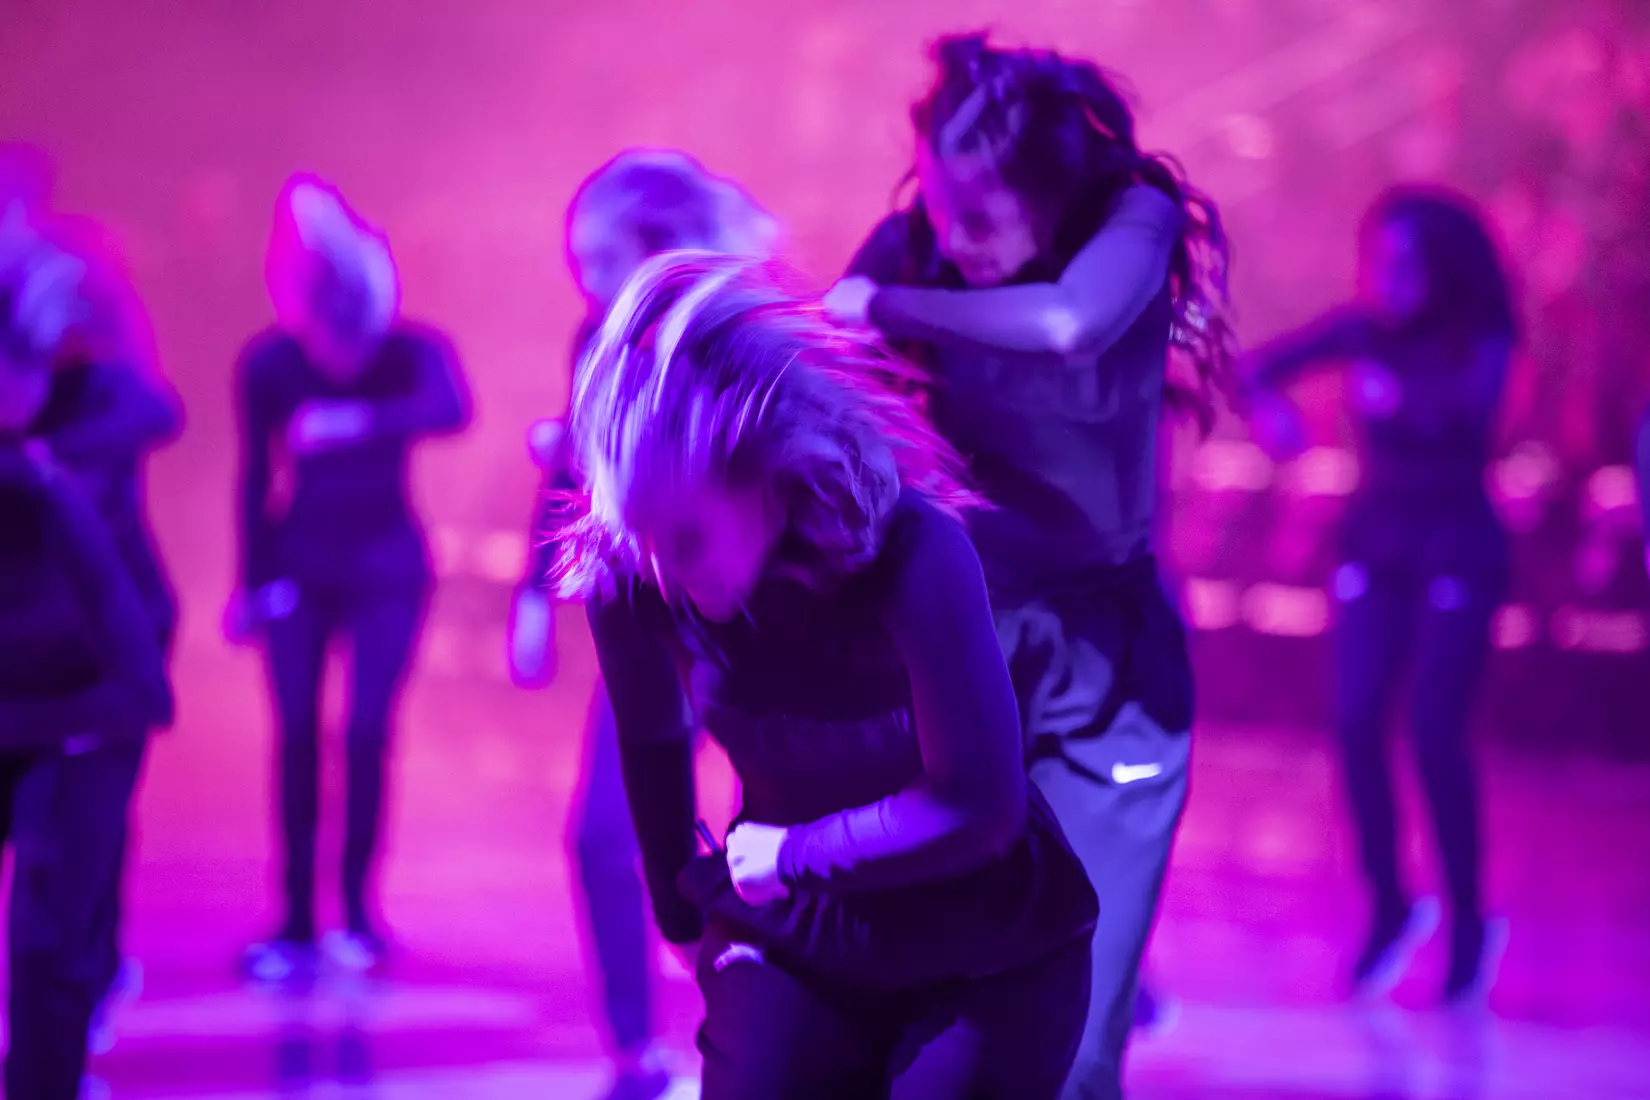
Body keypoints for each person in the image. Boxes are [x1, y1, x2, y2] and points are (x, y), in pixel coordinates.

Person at [555, 253, 1098, 1099]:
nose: (662, 570)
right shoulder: (635, 574)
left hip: (989, 941)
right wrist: (681, 911)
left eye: (687, 537)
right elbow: (655, 742)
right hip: (796, 933)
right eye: (644, 539)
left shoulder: (915, 552)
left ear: (761, 469)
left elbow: (979, 807)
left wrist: (797, 854)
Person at [824, 33, 1230, 1100]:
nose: (953, 240)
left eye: (984, 216)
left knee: (1080, 1039)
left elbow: (1066, 325)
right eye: (941, 208)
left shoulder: (1130, 220)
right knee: (924, 992)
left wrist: (888, 307)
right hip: (964, 632)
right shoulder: (911, 241)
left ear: (1051, 191)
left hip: (1112, 653)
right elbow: (819, 354)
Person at [509, 148, 777, 1100]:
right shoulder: (597, 334)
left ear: (659, 245)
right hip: (644, 627)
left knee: (780, 833)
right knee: (601, 837)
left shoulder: (740, 324)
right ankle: (636, 1053)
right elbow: (573, 468)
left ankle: (781, 1037)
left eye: (600, 258)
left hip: (755, 624)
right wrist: (535, 595)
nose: (585, 282)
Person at [1244, 185, 1516, 1002]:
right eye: (1378, 260)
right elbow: (1257, 366)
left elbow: (1470, 414)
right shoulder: (1360, 332)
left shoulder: (1481, 335)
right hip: (1377, 543)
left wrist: (1398, 395)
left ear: (1440, 266)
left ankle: (1470, 919)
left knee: (1434, 732)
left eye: (1404, 262)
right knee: (1355, 722)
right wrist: (1273, 417)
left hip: (1457, 546)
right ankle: (1392, 906)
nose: (1387, 276)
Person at [229, 174, 471, 980]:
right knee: (296, 733)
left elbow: (452, 407)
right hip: (300, 563)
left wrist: (360, 419)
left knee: (366, 731)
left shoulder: (410, 351)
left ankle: (360, 912)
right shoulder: (268, 363)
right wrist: (248, 581)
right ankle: (296, 916)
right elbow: (250, 479)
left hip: (387, 567)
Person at [3, 176, 184, 1056]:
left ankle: (78, 1007)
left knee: (58, 910)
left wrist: (45, 463)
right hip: (24, 674)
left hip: (100, 670)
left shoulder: (100, 386)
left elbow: (159, 412)